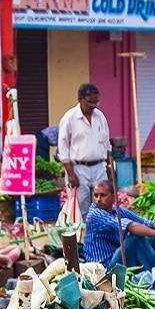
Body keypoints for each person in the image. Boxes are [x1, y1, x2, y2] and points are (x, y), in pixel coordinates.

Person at [81, 177, 155, 272]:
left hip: (117, 259)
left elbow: (145, 222)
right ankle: (154, 274)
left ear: (114, 197)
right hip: (104, 268)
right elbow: (131, 226)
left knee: (151, 236)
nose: (98, 199)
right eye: (96, 196)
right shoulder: (95, 214)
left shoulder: (116, 210)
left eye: (103, 195)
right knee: (137, 238)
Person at [58, 83, 111, 219]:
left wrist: (110, 166)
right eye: (89, 102)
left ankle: (100, 236)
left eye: (96, 102)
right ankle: (83, 237)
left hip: (99, 167)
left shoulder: (100, 117)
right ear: (80, 99)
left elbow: (106, 143)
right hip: (78, 168)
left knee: (103, 205)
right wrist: (70, 174)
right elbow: (63, 147)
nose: (93, 106)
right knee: (81, 206)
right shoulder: (69, 117)